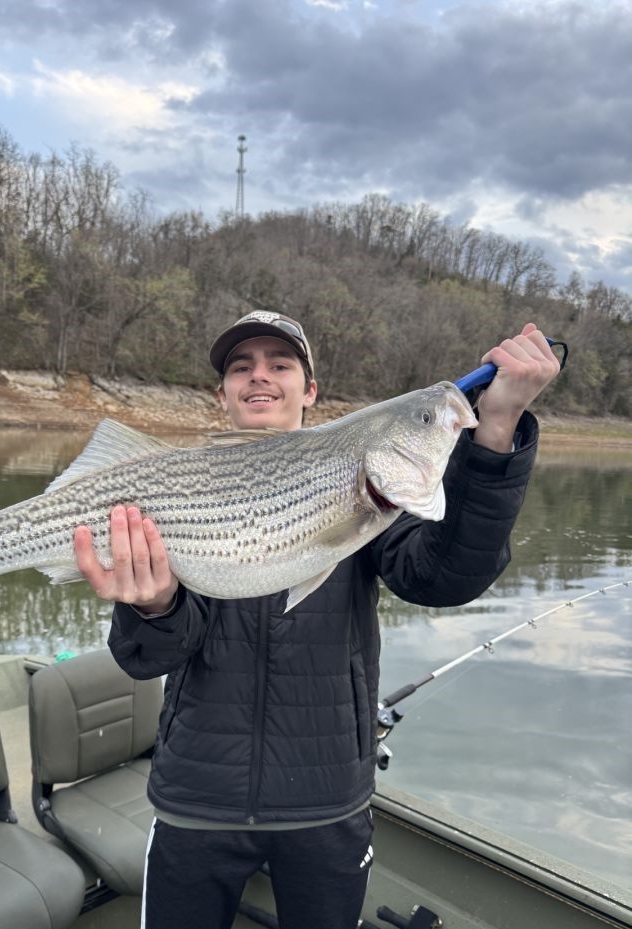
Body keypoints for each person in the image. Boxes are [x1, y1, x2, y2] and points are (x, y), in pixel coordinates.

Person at [73, 311, 560, 929]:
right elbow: (147, 658)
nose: (260, 377)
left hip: (327, 802)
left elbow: (444, 577)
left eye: (281, 365)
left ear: (310, 391)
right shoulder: (170, 490)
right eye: (241, 367)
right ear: (222, 392)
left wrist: (496, 430)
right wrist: (152, 604)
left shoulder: (368, 490)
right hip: (197, 799)